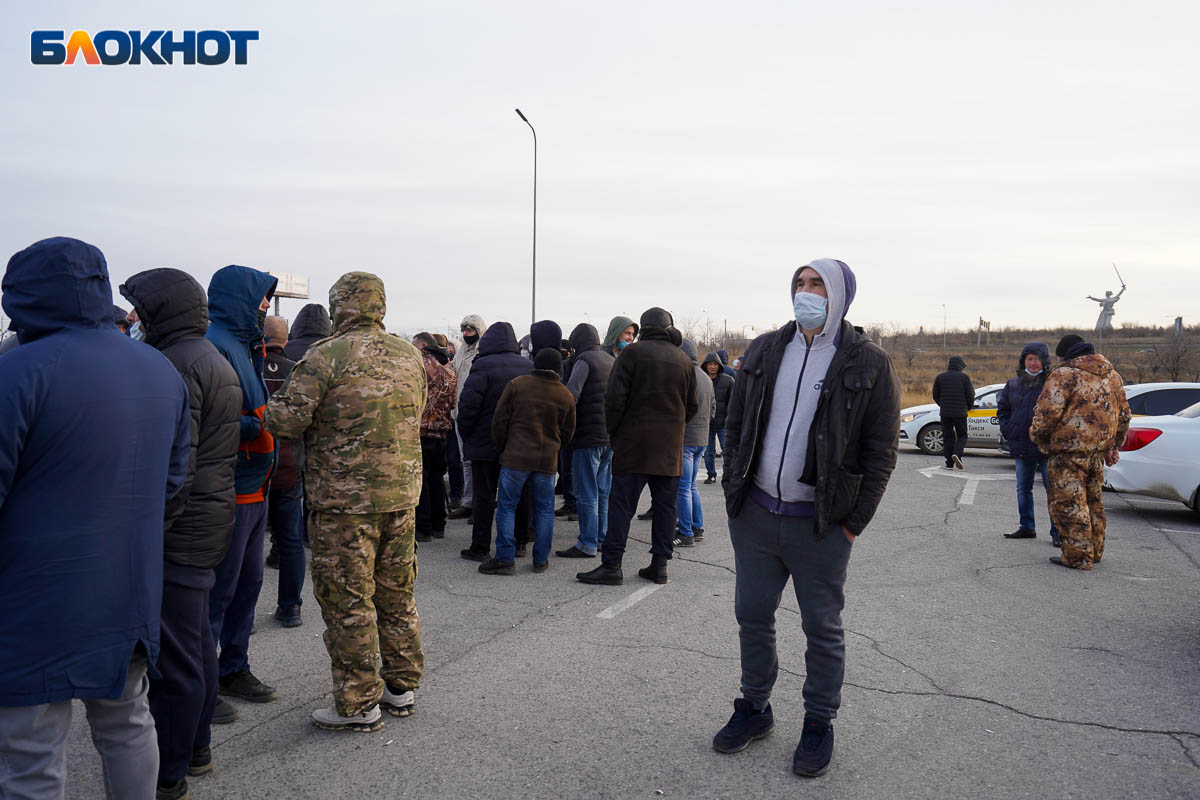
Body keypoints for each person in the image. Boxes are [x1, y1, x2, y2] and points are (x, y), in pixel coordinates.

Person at [0, 238, 191, 800]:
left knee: (31, 750)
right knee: (128, 722)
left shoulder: (17, 370)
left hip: (34, 597)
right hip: (127, 590)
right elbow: (174, 482)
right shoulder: (158, 369)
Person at [712, 259, 900, 779]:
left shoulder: (868, 362)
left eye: (816, 284)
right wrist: (735, 491)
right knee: (752, 615)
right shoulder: (766, 348)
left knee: (821, 627)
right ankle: (755, 707)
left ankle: (818, 721)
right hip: (755, 515)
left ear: (839, 295)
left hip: (819, 524)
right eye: (799, 282)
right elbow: (735, 421)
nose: (805, 291)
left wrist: (852, 522)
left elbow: (881, 450)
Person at [267, 272, 427, 731]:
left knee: (349, 601)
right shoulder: (409, 355)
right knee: (397, 595)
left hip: (343, 504)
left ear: (340, 306)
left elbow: (285, 421)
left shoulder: (327, 355)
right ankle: (401, 686)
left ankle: (358, 703)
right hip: (400, 496)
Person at [119, 267, 243, 799]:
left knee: (174, 657)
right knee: (194, 643)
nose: (133, 320)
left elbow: (178, 465)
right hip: (207, 520)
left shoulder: (175, 365)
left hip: (181, 530)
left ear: (160, 312)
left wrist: (149, 533)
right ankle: (196, 747)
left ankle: (169, 773)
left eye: (140, 310)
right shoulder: (207, 357)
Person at [204, 264, 280, 715]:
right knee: (218, 594)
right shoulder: (215, 345)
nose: (266, 305)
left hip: (256, 488)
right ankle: (202, 684)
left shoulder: (246, 344)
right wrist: (260, 425)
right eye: (260, 297)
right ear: (237, 298)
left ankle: (233, 667)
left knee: (248, 586)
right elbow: (209, 419)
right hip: (228, 489)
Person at [577, 308, 697, 586]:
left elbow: (614, 400)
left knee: (621, 507)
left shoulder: (632, 353)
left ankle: (612, 566)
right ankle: (660, 566)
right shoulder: (683, 360)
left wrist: (616, 434)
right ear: (669, 327)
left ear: (644, 327)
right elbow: (692, 407)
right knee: (666, 509)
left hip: (634, 445)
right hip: (669, 450)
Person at [1030, 334, 1131, 570]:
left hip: (1067, 453)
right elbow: (1124, 415)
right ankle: (1094, 551)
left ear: (1066, 354)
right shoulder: (1113, 376)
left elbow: (1046, 415)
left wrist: (1038, 438)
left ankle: (1078, 557)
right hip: (1096, 454)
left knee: (1068, 504)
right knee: (1093, 502)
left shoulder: (1065, 375)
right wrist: (1113, 445)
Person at [480, 348, 576, 575]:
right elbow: (568, 432)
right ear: (558, 368)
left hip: (515, 458)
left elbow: (499, 421)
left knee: (506, 508)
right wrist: (555, 446)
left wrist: (503, 447)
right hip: (546, 460)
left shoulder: (517, 385)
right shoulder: (565, 394)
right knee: (544, 510)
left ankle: (505, 558)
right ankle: (540, 559)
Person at [457, 322, 534, 561]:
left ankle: (480, 547)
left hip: (484, 441)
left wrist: (466, 434)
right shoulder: (528, 366)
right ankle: (520, 542)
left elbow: (468, 406)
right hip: (518, 443)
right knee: (520, 495)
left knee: (484, 497)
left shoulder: (482, 366)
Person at [261, 316, 307, 627]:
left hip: (254, 466)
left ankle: (240, 612)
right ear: (286, 340)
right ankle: (290, 607)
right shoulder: (297, 371)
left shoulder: (249, 366)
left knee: (248, 542)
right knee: (291, 541)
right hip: (290, 465)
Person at [557, 323, 615, 559]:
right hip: (608, 436)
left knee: (587, 492)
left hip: (587, 437)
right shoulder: (610, 360)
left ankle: (587, 543)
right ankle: (601, 537)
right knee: (602, 491)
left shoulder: (584, 361)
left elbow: (571, 395)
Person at [996, 342, 1060, 546]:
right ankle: (1027, 526)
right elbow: (1003, 410)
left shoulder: (1052, 383)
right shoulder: (1013, 384)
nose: (1032, 363)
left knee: (1054, 491)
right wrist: (1009, 429)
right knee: (1023, 489)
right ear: (1024, 361)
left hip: (1046, 447)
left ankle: (1057, 532)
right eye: (1029, 359)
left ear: (1044, 361)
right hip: (1021, 444)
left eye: (1036, 359)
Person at [412, 332, 457, 543]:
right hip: (442, 430)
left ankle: (423, 527)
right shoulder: (448, 367)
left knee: (421, 480)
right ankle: (439, 524)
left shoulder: (419, 364)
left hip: (421, 429)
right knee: (437, 479)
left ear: (422, 345)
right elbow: (453, 400)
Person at [676, 340, 715, 547]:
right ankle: (696, 526)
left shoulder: (684, 375)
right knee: (691, 486)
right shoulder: (706, 378)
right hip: (702, 438)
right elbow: (713, 408)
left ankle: (686, 532)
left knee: (683, 488)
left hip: (686, 439)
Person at [449, 314, 487, 519]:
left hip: (477, 414)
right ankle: (469, 501)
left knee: (479, 461)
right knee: (466, 460)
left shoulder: (483, 352)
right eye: (464, 330)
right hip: (460, 412)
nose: (466, 334)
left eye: (470, 330)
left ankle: (480, 504)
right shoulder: (461, 351)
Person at [932, 355, 973, 470]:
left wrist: (943, 405)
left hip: (945, 413)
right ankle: (957, 453)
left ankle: (949, 463)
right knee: (962, 435)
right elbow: (970, 394)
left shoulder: (940, 377)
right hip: (960, 413)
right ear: (960, 366)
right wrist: (968, 407)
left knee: (948, 436)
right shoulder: (964, 378)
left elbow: (935, 395)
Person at [702, 351, 735, 484]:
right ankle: (711, 474)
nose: (712, 367)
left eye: (715, 364)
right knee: (709, 452)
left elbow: (733, 402)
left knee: (728, 451)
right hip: (707, 423)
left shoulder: (728, 380)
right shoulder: (701, 379)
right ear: (705, 365)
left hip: (724, 423)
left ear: (719, 365)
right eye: (709, 364)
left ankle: (730, 474)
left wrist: (730, 419)